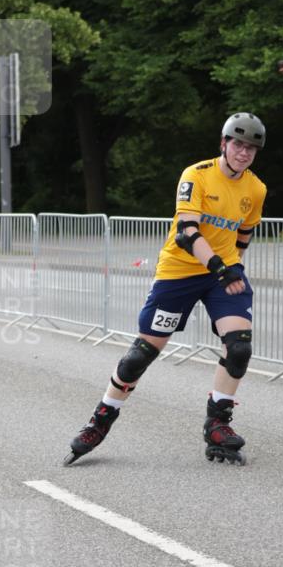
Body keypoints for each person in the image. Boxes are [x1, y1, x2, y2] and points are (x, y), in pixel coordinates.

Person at [65, 113, 267, 467]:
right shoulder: (196, 175)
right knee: (140, 355)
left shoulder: (256, 188)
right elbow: (187, 233)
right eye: (238, 144)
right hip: (180, 272)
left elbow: (244, 233)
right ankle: (99, 421)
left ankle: (217, 424)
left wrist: (237, 266)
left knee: (239, 347)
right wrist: (221, 266)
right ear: (223, 144)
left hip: (220, 276)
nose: (243, 152)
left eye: (251, 147)